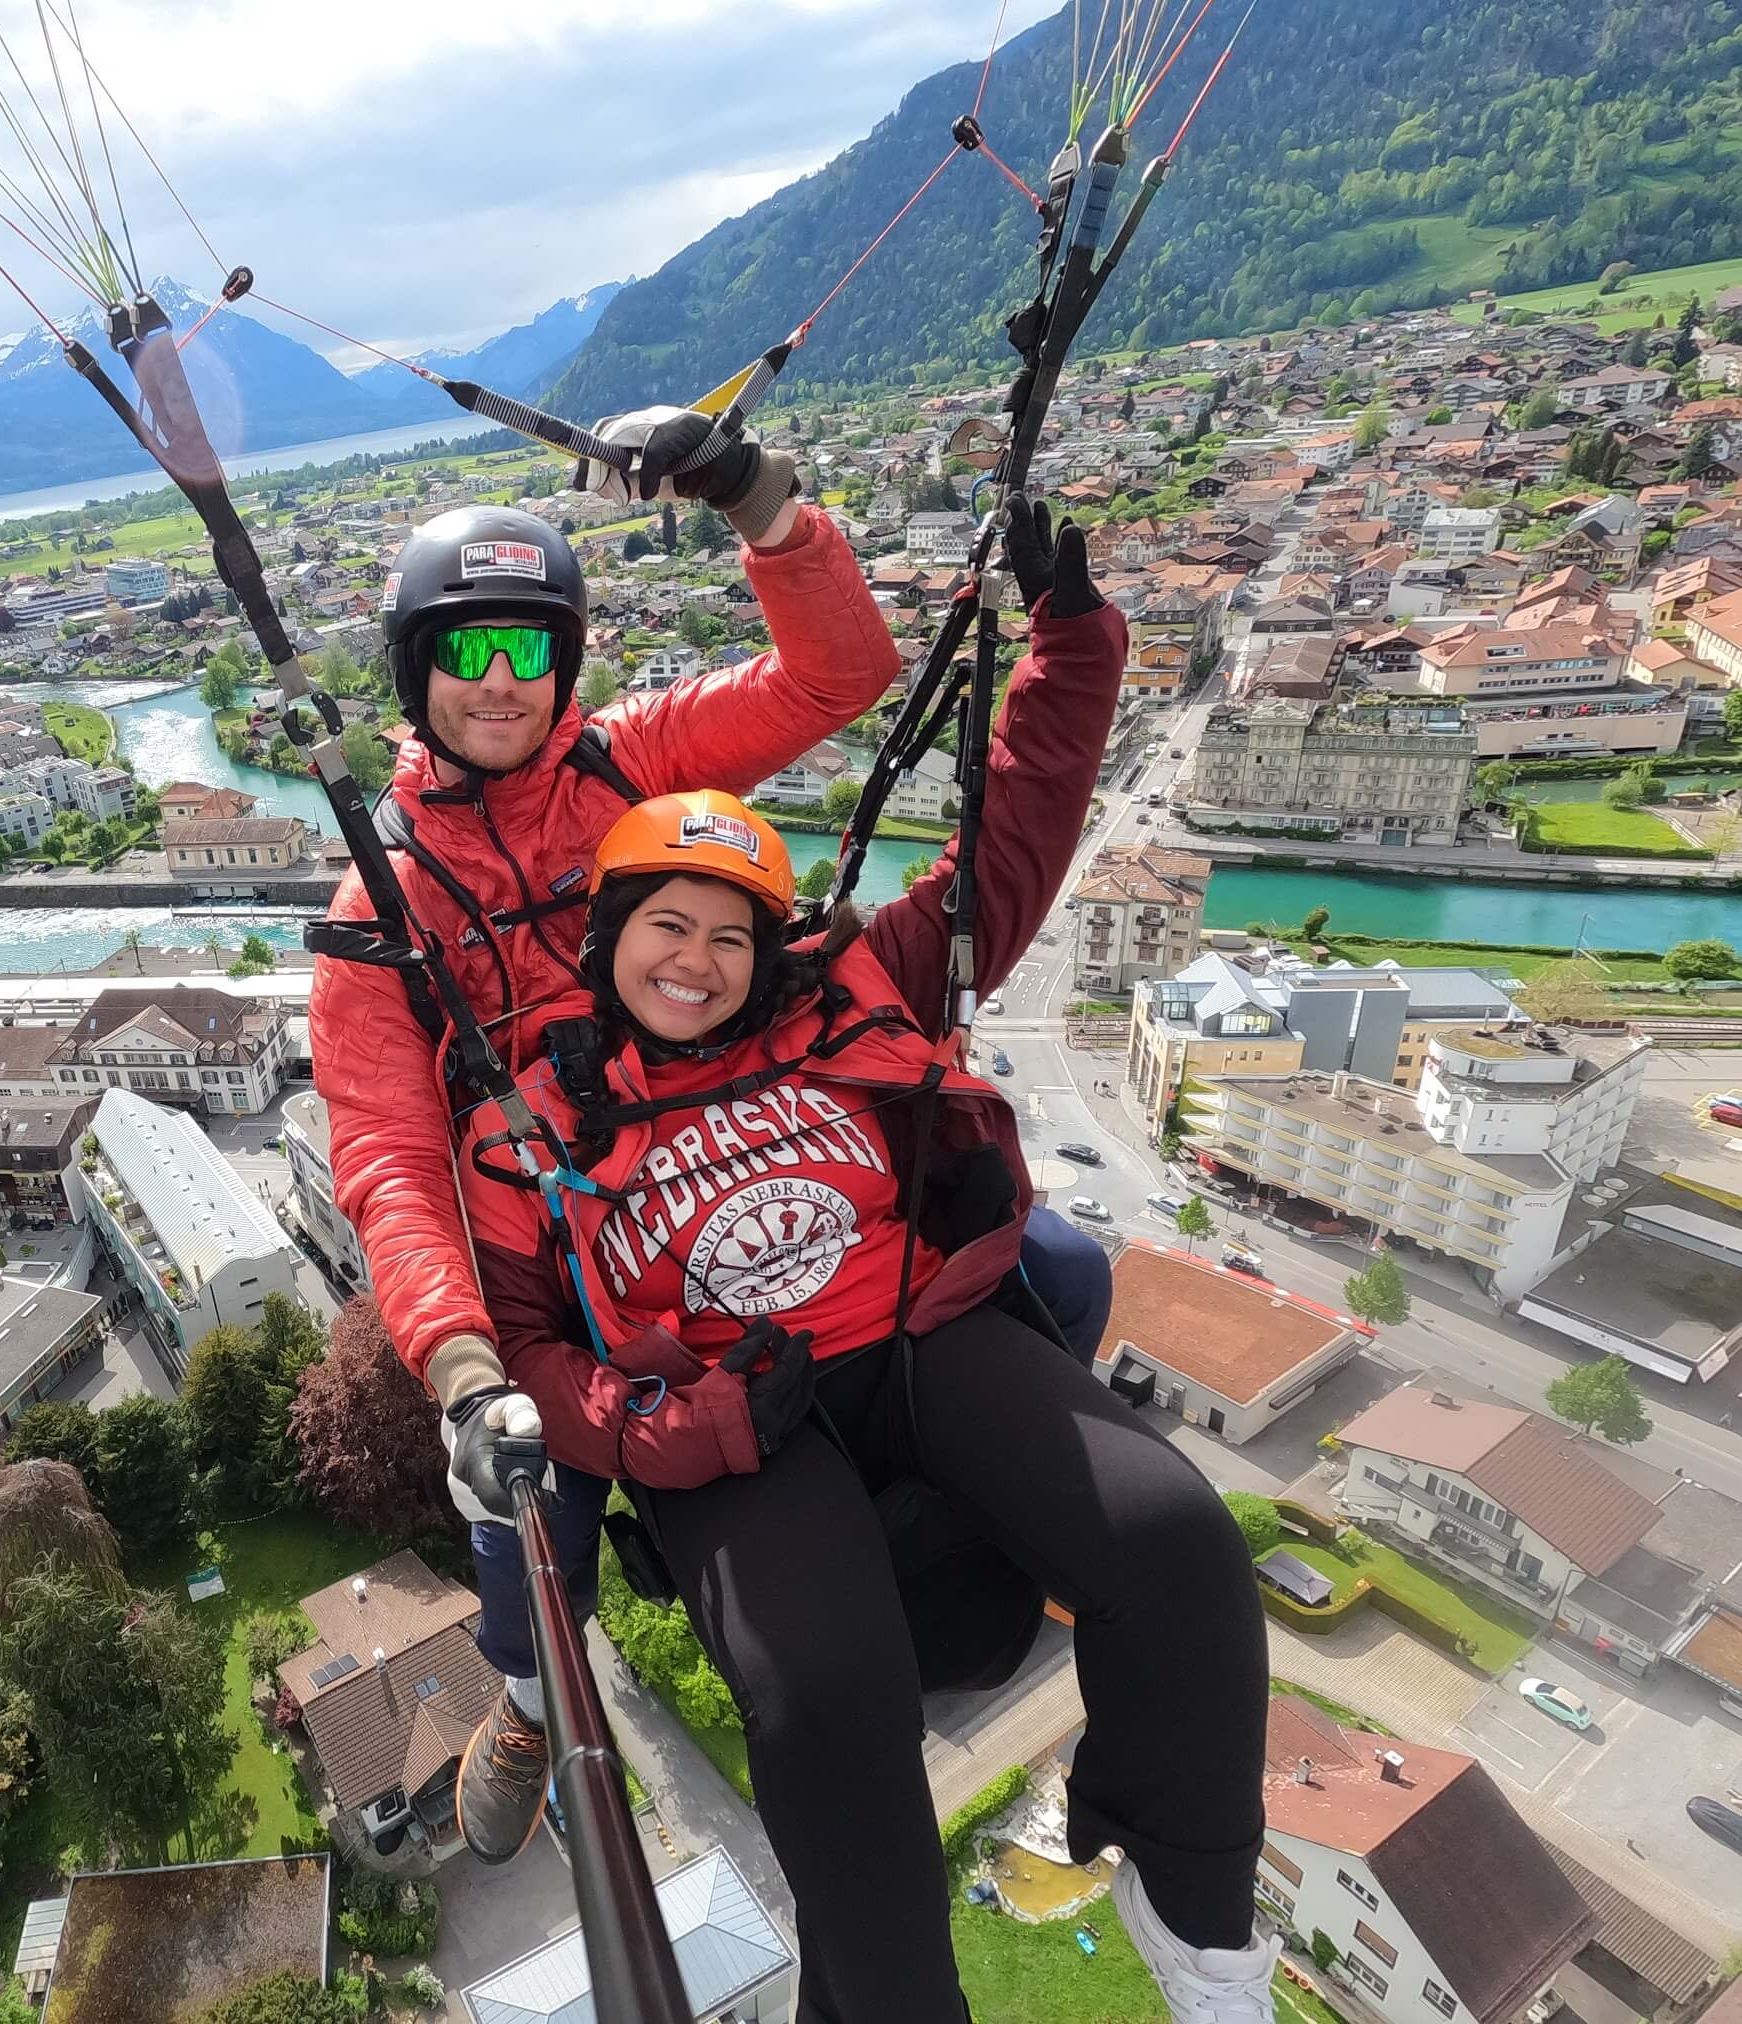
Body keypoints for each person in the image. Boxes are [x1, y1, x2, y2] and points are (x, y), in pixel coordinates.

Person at [442, 504, 1275, 2021]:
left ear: (775, 950)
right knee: (821, 1701)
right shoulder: (533, 1126)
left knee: (1174, 1544)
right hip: (729, 1416)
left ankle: (1195, 1905)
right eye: (662, 928)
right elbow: (526, 1346)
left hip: (913, 1339)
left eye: (729, 939)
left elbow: (1013, 836)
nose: (694, 964)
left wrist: (1073, 648)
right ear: (610, 936)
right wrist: (656, 1430)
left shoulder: (858, 991)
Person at [308, 411, 1115, 1856]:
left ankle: (976, 1514)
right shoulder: (388, 908)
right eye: (464, 653)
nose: (499, 685)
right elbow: (385, 1150)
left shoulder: (632, 761)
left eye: (526, 650)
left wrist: (757, 502)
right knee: (528, 1481)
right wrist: (459, 1350)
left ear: (564, 662)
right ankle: (526, 1690)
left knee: (1061, 1273)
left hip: (728, 1130)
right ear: (410, 672)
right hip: (554, 1221)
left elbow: (838, 675)